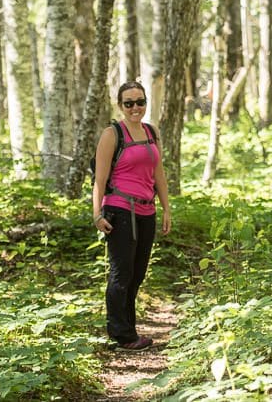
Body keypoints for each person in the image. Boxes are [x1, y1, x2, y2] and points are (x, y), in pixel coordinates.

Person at [93, 81, 172, 350]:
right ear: (120, 105)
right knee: (121, 274)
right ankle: (121, 333)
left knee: (137, 275)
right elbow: (99, 180)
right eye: (129, 103)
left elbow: (158, 173)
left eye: (140, 102)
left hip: (146, 211)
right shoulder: (112, 134)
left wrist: (166, 208)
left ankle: (129, 329)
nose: (135, 108)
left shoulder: (151, 131)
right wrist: (97, 215)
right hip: (119, 210)